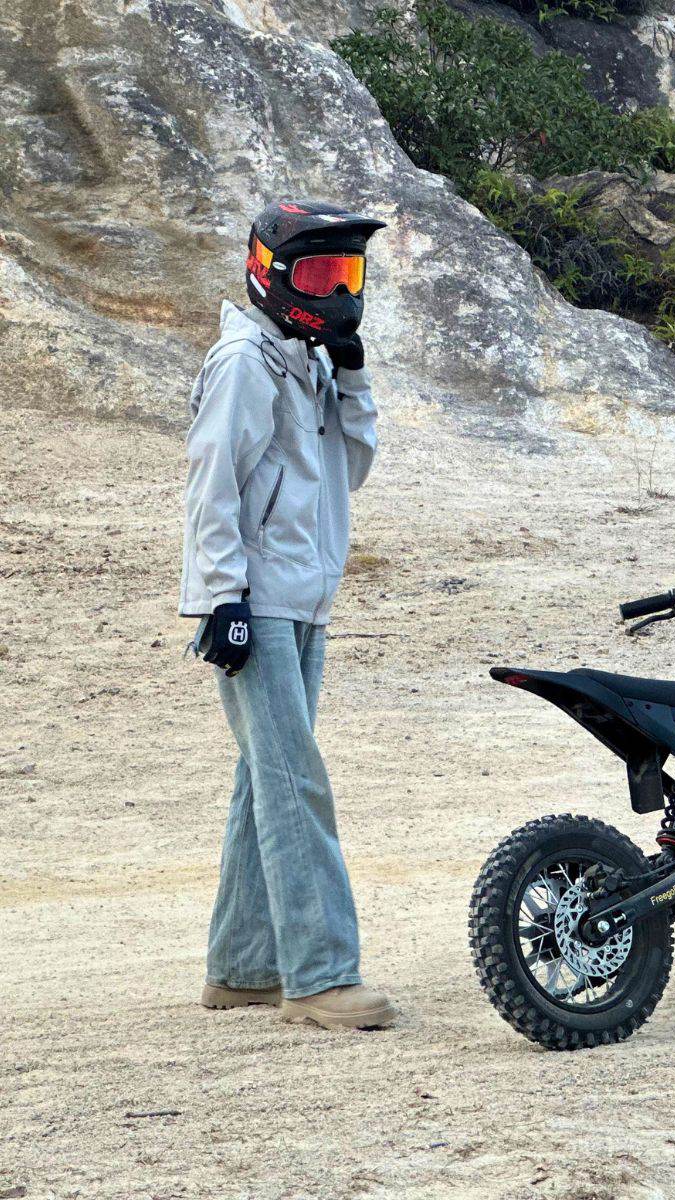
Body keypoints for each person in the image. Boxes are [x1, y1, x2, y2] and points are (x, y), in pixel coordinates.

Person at [179, 199, 397, 1030]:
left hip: (305, 600)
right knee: (294, 780)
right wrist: (222, 600)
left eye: (346, 274)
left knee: (263, 780)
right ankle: (319, 974)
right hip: (257, 605)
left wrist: (352, 375)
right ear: (270, 275)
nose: (337, 292)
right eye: (318, 274)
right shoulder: (243, 363)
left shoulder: (303, 359)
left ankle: (241, 967)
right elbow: (213, 488)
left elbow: (349, 471)